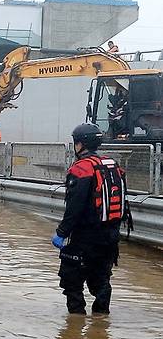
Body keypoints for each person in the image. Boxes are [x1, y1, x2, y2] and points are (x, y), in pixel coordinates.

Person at [51, 123, 132, 315]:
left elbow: (75, 207)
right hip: (110, 236)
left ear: (79, 144)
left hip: (84, 237)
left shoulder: (81, 169)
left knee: (71, 281)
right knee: (102, 280)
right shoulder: (112, 165)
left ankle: (75, 333)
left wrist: (62, 233)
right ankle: (101, 326)